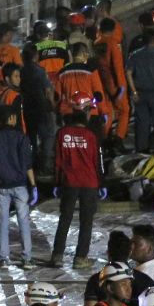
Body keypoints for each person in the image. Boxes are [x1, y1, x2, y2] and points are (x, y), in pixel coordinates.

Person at [51, 94, 106, 269]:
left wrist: (57, 183)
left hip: (69, 182)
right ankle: (80, 258)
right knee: (86, 221)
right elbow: (97, 162)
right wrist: (102, 183)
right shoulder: (91, 135)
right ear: (85, 112)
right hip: (89, 184)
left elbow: (57, 161)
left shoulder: (62, 133)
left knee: (65, 218)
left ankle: (57, 256)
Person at [0, 105, 37, 269]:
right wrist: (33, 185)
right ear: (12, 118)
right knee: (23, 221)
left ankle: (3, 258)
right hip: (20, 185)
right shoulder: (21, 138)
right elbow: (28, 165)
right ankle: (26, 258)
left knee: (2, 222)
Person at [22, 43, 57, 173]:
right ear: (36, 56)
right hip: (41, 107)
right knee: (48, 135)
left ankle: (32, 163)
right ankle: (45, 163)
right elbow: (48, 90)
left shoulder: (21, 71)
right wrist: (52, 104)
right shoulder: (40, 71)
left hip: (27, 108)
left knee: (31, 136)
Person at [57, 43, 108, 132]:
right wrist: (103, 112)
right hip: (89, 113)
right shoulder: (91, 70)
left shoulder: (62, 73)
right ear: (84, 54)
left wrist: (59, 113)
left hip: (69, 114)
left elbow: (57, 96)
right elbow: (99, 95)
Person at [97, 18, 130, 146]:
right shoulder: (112, 44)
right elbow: (117, 67)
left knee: (108, 114)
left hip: (102, 84)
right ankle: (118, 139)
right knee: (124, 111)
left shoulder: (96, 43)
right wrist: (121, 88)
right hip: (115, 85)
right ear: (113, 29)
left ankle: (102, 140)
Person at [129, 224, 154, 302]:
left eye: (136, 244)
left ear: (149, 249)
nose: (131, 247)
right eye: (131, 243)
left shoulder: (141, 276)